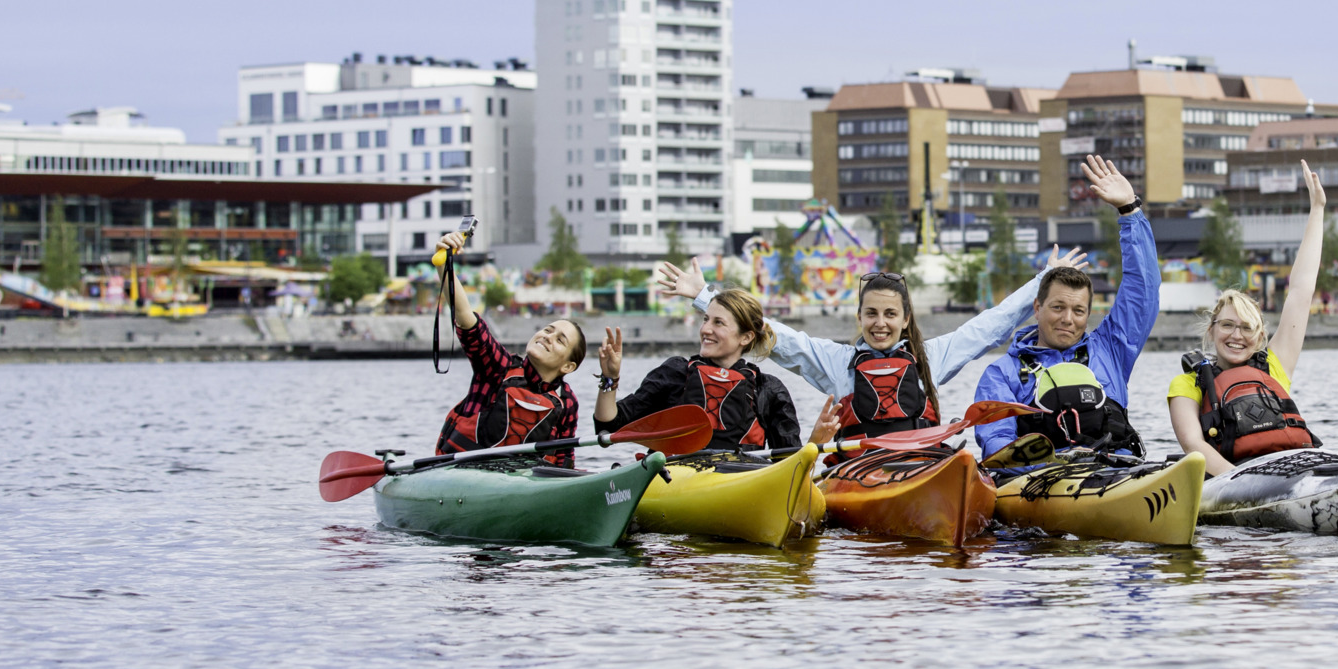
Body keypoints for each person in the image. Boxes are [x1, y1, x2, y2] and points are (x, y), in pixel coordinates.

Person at [650, 245, 1089, 442]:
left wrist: (1042, 280)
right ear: (859, 318)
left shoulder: (930, 357)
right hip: (863, 467)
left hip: (918, 465)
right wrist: (702, 296)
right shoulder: (837, 362)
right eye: (872, 315)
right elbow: (774, 336)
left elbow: (990, 326)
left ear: (905, 319)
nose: (880, 324)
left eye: (890, 315)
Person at [972, 156, 1159, 458]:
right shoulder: (1002, 374)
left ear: (1088, 313)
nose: (1068, 320)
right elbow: (997, 442)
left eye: (1078, 311)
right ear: (1037, 307)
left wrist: (1130, 211)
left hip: (1114, 474)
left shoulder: (1111, 349)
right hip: (1040, 481)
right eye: (1058, 307)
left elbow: (1143, 290)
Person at [1167, 162, 1328, 475]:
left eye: (1246, 328)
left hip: (1289, 472)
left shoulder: (1275, 367)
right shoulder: (1187, 384)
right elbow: (1193, 445)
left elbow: (1301, 290)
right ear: (1212, 331)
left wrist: (1318, 209)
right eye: (1227, 325)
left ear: (1260, 336)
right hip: (1233, 477)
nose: (1236, 335)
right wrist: (1243, 482)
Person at [431, 228, 602, 466]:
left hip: (520, 484)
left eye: (560, 339)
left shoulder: (567, 400)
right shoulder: (499, 366)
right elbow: (466, 318)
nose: (547, 336)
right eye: (548, 329)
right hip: (462, 471)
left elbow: (564, 457)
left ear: (568, 365)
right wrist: (444, 264)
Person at [592, 285, 798, 452]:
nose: (706, 329)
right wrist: (610, 378)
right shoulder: (675, 373)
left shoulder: (768, 389)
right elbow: (609, 427)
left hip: (739, 482)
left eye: (718, 323)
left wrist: (817, 438)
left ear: (746, 337)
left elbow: (789, 461)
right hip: (674, 480)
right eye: (706, 319)